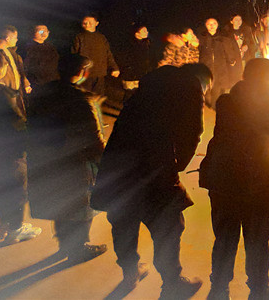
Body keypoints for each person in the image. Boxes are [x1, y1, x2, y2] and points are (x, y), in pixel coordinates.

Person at [91, 64, 212, 296]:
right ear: (201, 80)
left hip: (118, 163)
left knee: (123, 220)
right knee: (168, 224)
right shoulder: (190, 86)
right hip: (153, 166)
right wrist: (179, 165)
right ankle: (172, 282)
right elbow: (193, 131)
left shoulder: (150, 85)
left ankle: (130, 271)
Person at [199, 58, 269, 300]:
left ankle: (219, 289)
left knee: (225, 237)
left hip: (223, 180)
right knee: (257, 240)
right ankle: (258, 289)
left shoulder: (225, 103)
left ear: (245, 75)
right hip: (259, 182)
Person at [26, 53, 107, 262]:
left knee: (59, 202)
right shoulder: (83, 99)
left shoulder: (41, 93)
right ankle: (78, 248)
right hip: (75, 161)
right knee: (81, 206)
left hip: (45, 158)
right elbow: (94, 137)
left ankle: (64, 245)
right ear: (83, 73)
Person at [0, 52, 42, 242]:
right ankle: (16, 230)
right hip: (8, 151)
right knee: (16, 190)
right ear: (2, 69)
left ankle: (3, 227)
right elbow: (18, 123)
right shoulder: (3, 93)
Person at [71, 14, 120, 96]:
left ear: (96, 23)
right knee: (83, 99)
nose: (87, 25)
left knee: (97, 99)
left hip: (99, 74)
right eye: (85, 22)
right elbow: (73, 55)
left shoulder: (101, 38)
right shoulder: (79, 37)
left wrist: (114, 68)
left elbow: (108, 54)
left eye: (90, 22)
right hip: (84, 75)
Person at [198, 18, 240, 108]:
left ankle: (215, 108)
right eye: (209, 24)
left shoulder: (223, 38)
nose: (212, 26)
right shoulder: (202, 38)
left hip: (220, 67)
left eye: (214, 23)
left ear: (217, 25)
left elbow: (229, 50)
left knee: (217, 88)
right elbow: (197, 51)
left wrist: (231, 60)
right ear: (205, 25)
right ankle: (208, 106)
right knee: (206, 90)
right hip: (205, 67)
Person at [0, 25, 32, 116]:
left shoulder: (10, 52)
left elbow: (18, 71)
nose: (17, 40)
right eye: (15, 37)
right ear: (7, 38)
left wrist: (25, 83)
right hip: (6, 96)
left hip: (15, 93)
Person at [119, 24, 152, 103]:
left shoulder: (147, 43)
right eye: (143, 31)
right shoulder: (129, 44)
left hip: (141, 73)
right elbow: (124, 59)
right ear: (137, 33)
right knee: (129, 94)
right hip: (130, 74)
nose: (146, 32)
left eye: (146, 30)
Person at [23, 24, 60, 90]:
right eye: (40, 32)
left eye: (46, 31)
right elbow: (25, 67)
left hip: (52, 81)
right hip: (36, 84)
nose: (44, 34)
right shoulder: (28, 47)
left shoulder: (50, 46)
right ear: (33, 32)